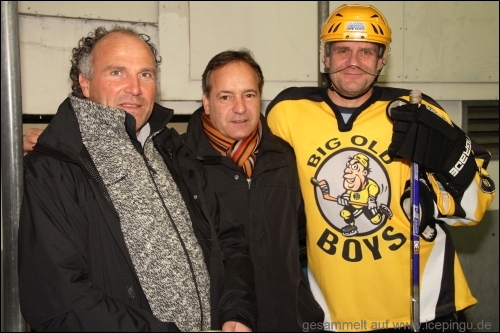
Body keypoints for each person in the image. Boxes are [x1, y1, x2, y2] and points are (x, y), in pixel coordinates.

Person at [265, 4, 495, 332]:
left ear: (382, 60)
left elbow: (475, 208)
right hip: (332, 314)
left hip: (424, 310)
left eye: (367, 52)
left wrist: (441, 184)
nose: (354, 62)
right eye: (342, 50)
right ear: (325, 56)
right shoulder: (287, 112)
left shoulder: (415, 111)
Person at [19, 26, 256, 332]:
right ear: (85, 82)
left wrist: (237, 311)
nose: (135, 87)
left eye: (145, 74)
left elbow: (229, 242)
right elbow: (59, 300)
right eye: (117, 72)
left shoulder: (175, 152)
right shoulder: (54, 167)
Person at [176, 49, 324, 331]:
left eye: (249, 94)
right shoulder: (180, 163)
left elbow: (301, 236)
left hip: (287, 320)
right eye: (225, 96)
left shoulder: (285, 157)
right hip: (223, 324)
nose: (240, 108)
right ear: (206, 102)